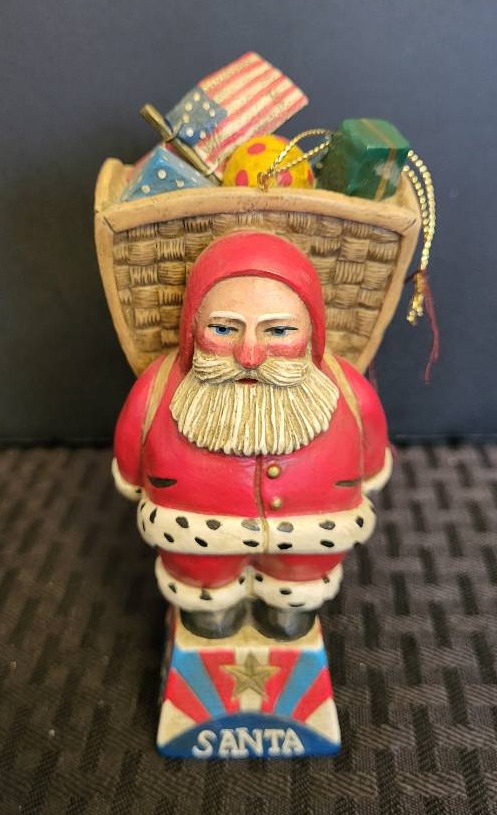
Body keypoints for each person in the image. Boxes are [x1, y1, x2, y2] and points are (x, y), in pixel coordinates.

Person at [113, 231, 391, 639]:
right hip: (194, 539)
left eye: (278, 331)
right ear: (192, 327)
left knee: (295, 587)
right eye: (223, 329)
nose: (249, 356)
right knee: (204, 588)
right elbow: (130, 453)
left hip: (311, 542)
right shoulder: (157, 389)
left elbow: (373, 447)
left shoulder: (348, 390)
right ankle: (209, 607)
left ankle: (287, 606)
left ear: (312, 331)